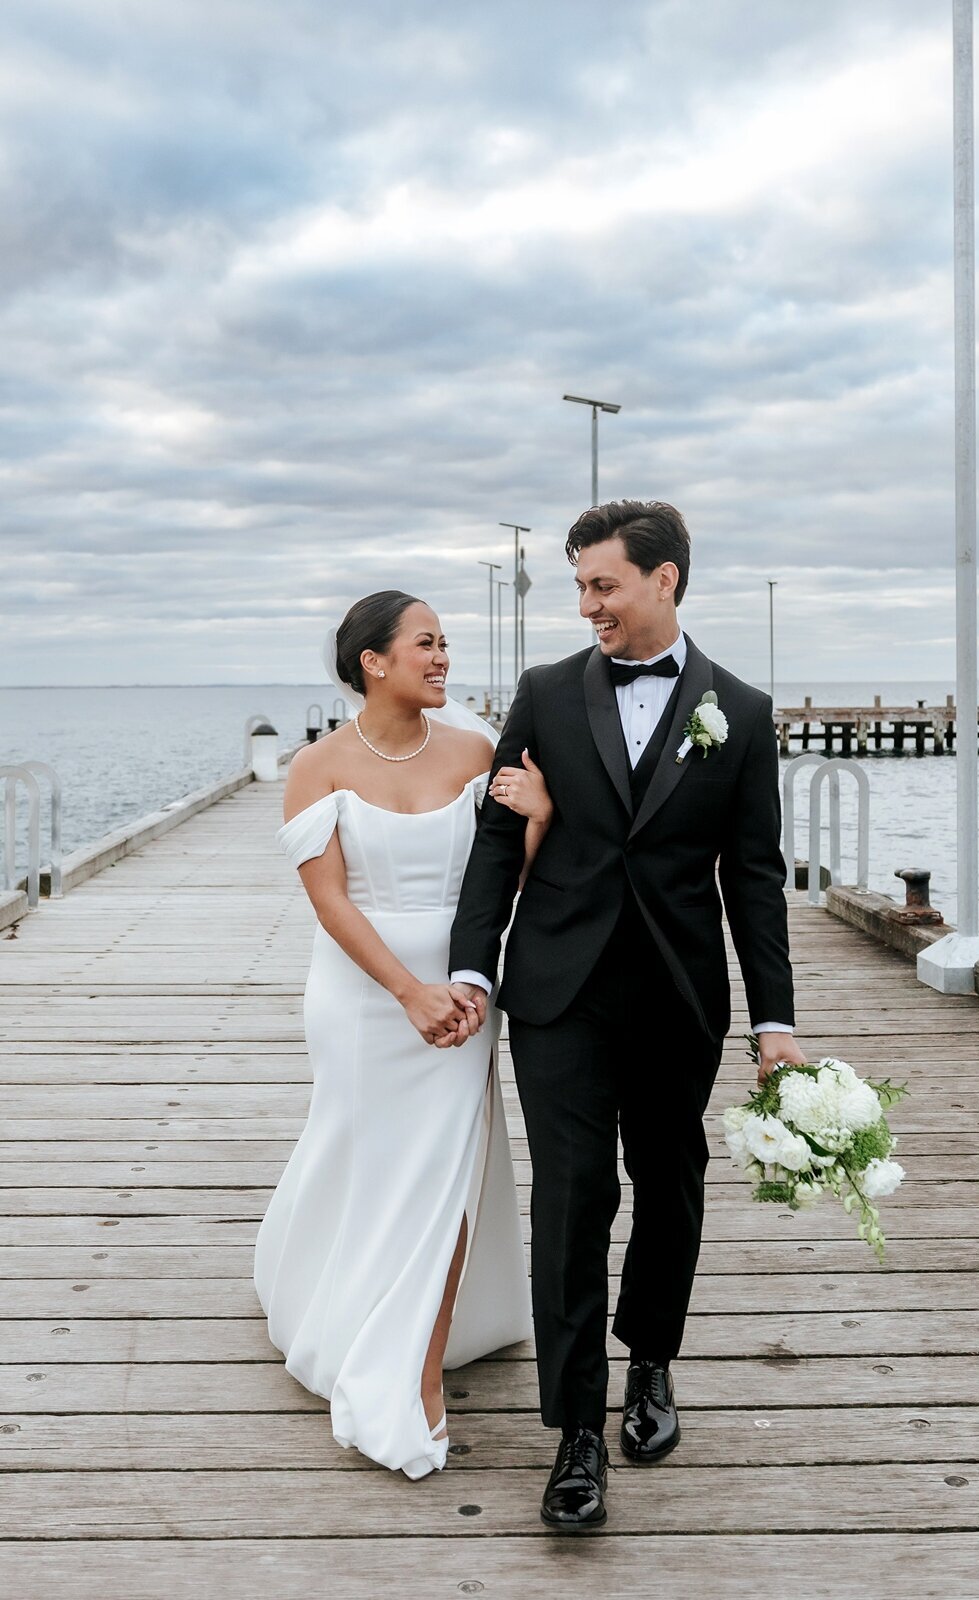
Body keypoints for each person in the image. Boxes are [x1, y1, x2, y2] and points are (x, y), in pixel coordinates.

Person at [449, 501, 805, 1530]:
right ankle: (574, 1429)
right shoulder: (545, 693)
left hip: (679, 993)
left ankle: (650, 1359)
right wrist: (473, 966)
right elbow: (496, 837)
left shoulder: (741, 711)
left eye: (602, 584)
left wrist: (774, 1020)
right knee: (571, 1197)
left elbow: (754, 878)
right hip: (558, 987)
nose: (586, 605)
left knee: (670, 1179)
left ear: (665, 579)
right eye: (579, 586)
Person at [254, 591, 545, 1480]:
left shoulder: (474, 752)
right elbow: (331, 900)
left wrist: (538, 815)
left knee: (448, 1166)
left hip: (463, 989)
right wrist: (406, 992)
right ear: (373, 662)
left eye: (445, 642)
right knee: (365, 1154)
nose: (442, 656)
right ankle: (341, 1301)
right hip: (363, 996)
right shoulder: (317, 766)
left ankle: (419, 1362)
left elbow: (505, 875)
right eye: (426, 642)